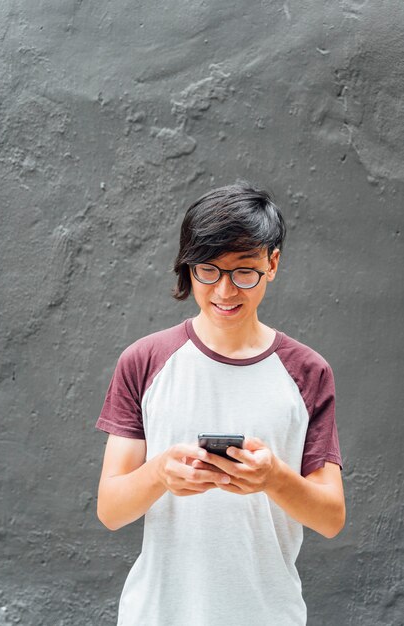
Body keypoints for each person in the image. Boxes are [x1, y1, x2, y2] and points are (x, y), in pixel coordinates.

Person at [95, 180, 345, 626]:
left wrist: (273, 479)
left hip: (269, 615)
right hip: (158, 614)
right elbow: (111, 510)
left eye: (243, 271)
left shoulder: (308, 372)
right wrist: (160, 472)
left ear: (273, 263)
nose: (225, 291)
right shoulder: (144, 360)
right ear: (188, 267)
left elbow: (331, 518)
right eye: (208, 270)